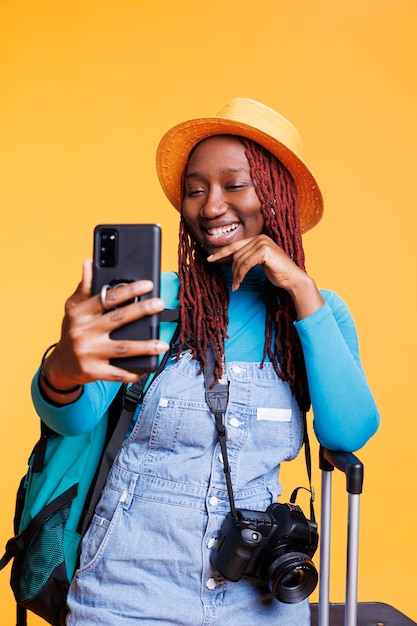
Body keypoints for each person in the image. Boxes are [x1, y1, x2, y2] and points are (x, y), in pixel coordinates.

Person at [31, 98, 379, 625]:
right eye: (196, 190)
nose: (211, 205)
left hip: (259, 594)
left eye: (233, 185)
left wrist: (303, 293)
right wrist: (64, 370)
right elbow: (73, 418)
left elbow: (346, 433)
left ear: (276, 197)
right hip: (124, 590)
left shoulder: (316, 313)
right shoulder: (153, 298)